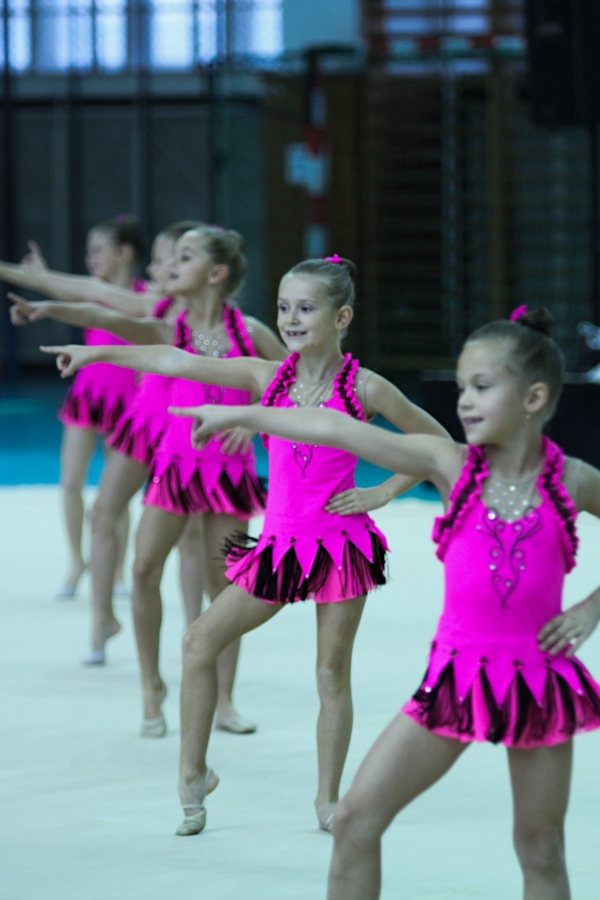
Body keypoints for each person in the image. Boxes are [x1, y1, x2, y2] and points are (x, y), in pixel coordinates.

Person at [177, 306, 600, 900]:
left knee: (540, 850)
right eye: (461, 387)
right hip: (455, 681)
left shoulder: (573, 480)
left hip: (536, 684)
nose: (465, 401)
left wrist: (591, 608)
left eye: (482, 387)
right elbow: (334, 428)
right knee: (355, 819)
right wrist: (241, 412)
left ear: (534, 398)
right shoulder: (450, 465)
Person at [41, 255, 450, 831]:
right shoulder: (267, 377)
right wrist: (95, 354)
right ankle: (194, 775)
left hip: (340, 547)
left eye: (305, 308)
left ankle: (328, 800)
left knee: (330, 673)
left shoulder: (366, 387)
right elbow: (175, 358)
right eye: (283, 307)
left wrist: (383, 491)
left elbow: (439, 444)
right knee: (198, 642)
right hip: (280, 550)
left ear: (342, 318)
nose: (290, 319)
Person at [38, 226, 285, 735]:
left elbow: (289, 382)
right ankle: (152, 689)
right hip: (175, 470)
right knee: (144, 568)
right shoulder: (171, 327)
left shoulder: (250, 332)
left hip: (228, 476)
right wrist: (51, 310)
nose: (172, 265)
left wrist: (253, 418)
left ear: (216, 273)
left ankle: (224, 699)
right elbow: (105, 314)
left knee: (225, 586)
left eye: (185, 257)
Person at [8, 220, 204, 665]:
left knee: (190, 536)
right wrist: (44, 297)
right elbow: (96, 303)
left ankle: (196, 631)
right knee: (102, 512)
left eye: (170, 260)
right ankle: (102, 618)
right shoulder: (153, 304)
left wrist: (247, 423)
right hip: (142, 423)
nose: (156, 268)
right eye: (159, 259)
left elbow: (263, 373)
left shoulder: (216, 323)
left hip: (182, 430)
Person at [0, 215, 147, 597]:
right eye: (88, 252)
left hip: (127, 403)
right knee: (70, 483)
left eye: (97, 250)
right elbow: (45, 284)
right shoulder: (89, 293)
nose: (89, 258)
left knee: (115, 493)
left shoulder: (144, 298)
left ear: (124, 252)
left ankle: (115, 570)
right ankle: (76, 562)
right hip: (88, 398)